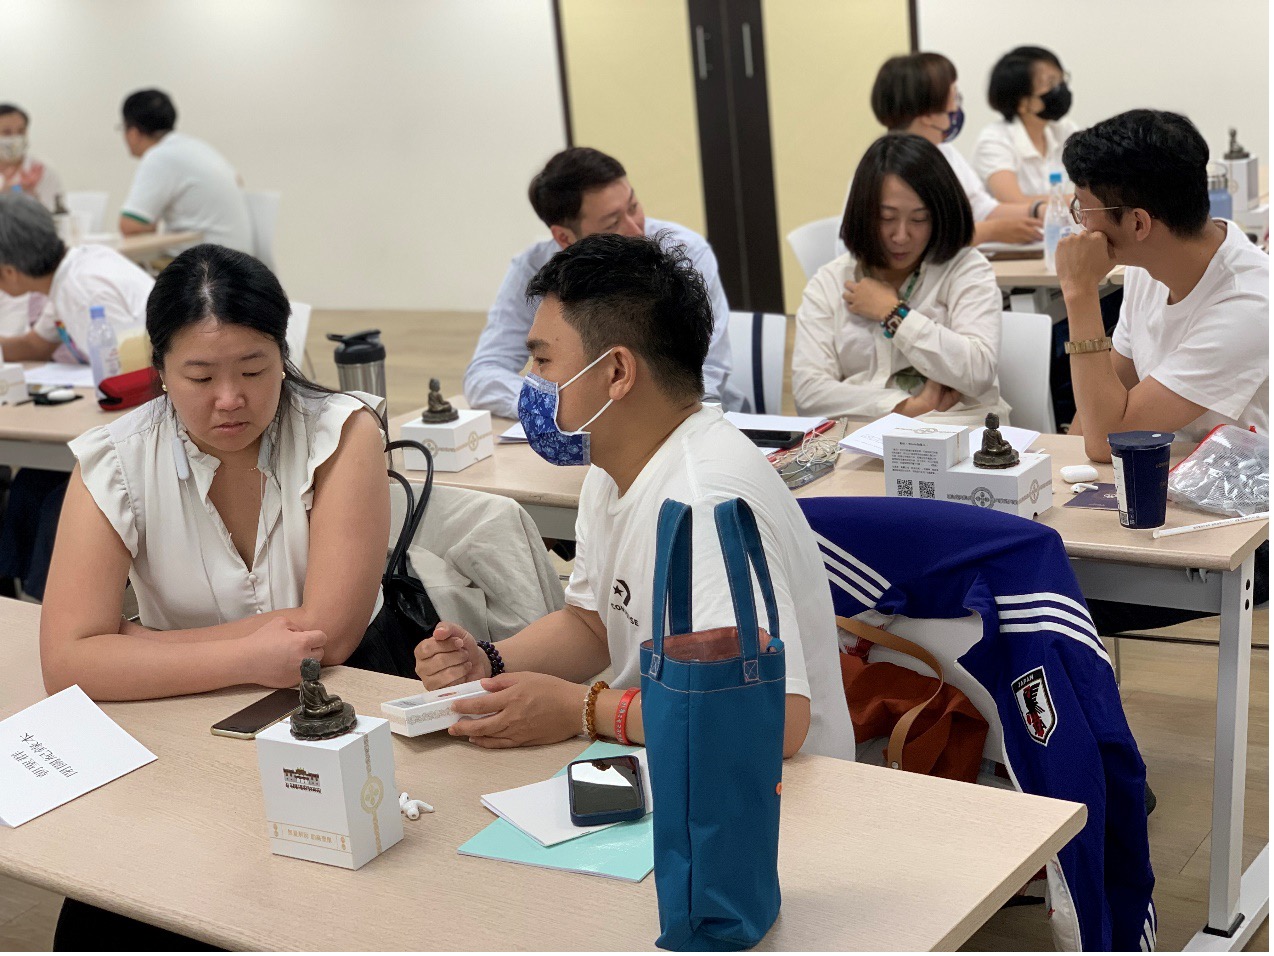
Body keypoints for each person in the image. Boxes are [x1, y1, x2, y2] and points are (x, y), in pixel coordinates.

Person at [421, 233, 853, 760]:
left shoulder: (701, 505)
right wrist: (488, 662)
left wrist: (583, 709)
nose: (529, 381)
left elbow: (769, 720)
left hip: (768, 790)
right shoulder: (616, 465)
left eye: (542, 361)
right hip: (677, 751)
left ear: (617, 373)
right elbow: (596, 625)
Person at [39, 244, 389, 702]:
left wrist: (138, 645)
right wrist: (246, 658)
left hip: (351, 686)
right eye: (201, 378)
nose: (229, 400)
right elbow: (65, 664)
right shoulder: (116, 460)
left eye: (253, 371)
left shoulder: (342, 432)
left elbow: (331, 635)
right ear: (161, 370)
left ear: (282, 357)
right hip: (183, 706)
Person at [1056, 108, 1268, 634]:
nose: (1079, 225)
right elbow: (1099, 415)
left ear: (1137, 223)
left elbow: (1107, 438)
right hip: (1166, 489)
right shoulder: (1149, 270)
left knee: (1048, 600)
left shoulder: (1250, 303)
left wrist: (1080, 294)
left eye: (1084, 209)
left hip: (1245, 521)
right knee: (1017, 574)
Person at [463, 147, 743, 418]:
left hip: (685, 419)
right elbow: (485, 372)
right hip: (591, 426)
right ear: (564, 237)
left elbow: (708, 374)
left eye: (633, 206)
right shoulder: (535, 269)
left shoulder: (684, 253)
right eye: (612, 224)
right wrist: (557, 409)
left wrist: (607, 417)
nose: (636, 230)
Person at [795, 134, 1006, 425]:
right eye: (887, 218)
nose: (901, 236)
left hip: (959, 432)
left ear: (940, 216)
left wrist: (894, 314)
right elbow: (808, 394)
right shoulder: (831, 281)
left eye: (919, 219)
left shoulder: (966, 269)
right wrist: (905, 408)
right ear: (863, 214)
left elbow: (977, 372)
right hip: (863, 439)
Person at [869, 53, 1041, 246]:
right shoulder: (887, 165)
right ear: (928, 114)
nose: (956, 106)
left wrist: (1038, 210)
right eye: (953, 96)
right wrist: (991, 231)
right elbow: (915, 240)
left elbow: (980, 207)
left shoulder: (945, 152)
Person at [0, 193, 152, 363]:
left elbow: (132, 367)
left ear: (9, 272)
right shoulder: (78, 265)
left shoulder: (81, 293)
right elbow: (35, 346)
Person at [118, 89, 253, 254]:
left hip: (207, 264)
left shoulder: (159, 156)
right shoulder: (196, 147)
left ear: (133, 133)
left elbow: (130, 226)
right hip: (240, 260)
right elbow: (239, 180)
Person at [974, 46, 1077, 205]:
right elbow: (1015, 202)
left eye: (1061, 79)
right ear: (1022, 103)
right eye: (1051, 83)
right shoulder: (994, 141)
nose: (1061, 88)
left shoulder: (1064, 130)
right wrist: (1078, 201)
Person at [0, 104, 62, 337]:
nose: (14, 138)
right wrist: (8, 193)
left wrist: (31, 198)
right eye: (6, 133)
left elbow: (56, 222)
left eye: (20, 131)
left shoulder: (42, 170)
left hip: (32, 264)